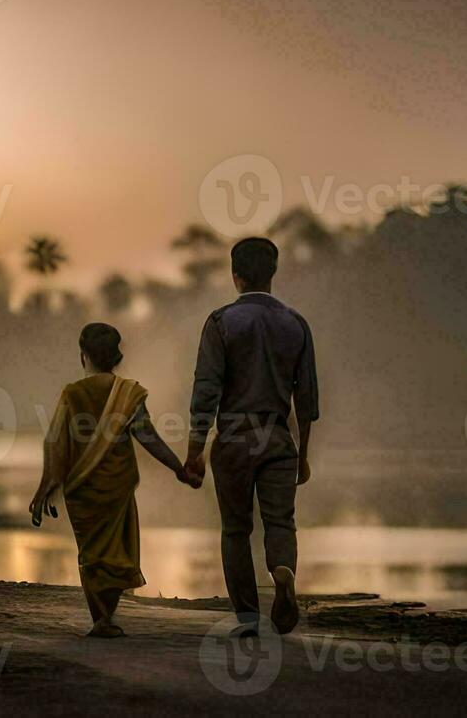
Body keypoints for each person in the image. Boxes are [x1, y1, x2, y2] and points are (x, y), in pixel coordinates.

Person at [29, 322, 201, 637]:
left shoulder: (73, 394)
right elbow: (149, 438)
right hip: (117, 488)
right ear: (117, 358)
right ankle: (105, 617)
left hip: (81, 489)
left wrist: (47, 486)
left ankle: (101, 618)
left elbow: (56, 443)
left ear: (83, 357)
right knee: (118, 552)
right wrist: (179, 469)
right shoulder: (128, 393)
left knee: (92, 553)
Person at [183, 237, 319, 635]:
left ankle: (246, 616)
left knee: (235, 529)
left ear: (235, 275)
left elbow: (205, 391)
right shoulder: (295, 323)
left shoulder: (221, 322)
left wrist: (195, 451)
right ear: (273, 272)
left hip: (235, 439)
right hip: (278, 440)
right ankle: (282, 571)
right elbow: (306, 398)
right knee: (281, 523)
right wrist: (304, 453)